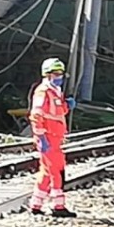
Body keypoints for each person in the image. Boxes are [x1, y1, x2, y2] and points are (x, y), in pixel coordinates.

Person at [27, 57, 77, 218]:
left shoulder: (55, 92)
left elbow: (56, 112)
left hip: (54, 138)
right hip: (48, 138)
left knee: (47, 171)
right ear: (47, 75)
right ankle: (58, 205)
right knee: (57, 171)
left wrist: (66, 106)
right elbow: (36, 114)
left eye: (61, 73)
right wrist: (41, 137)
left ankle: (36, 203)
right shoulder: (43, 91)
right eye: (56, 74)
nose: (59, 77)